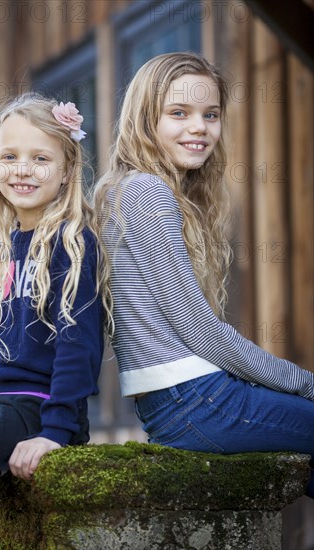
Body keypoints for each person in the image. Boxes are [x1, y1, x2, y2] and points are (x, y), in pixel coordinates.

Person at [93, 52, 314, 497]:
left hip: (181, 403)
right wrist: (304, 382)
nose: (200, 127)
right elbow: (200, 331)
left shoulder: (131, 190)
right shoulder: (146, 191)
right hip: (195, 400)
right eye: (179, 113)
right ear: (145, 119)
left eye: (210, 114)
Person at [0, 93, 104, 522]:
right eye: (10, 156)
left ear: (68, 169)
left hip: (38, 410)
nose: (22, 169)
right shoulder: (12, 245)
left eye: (40, 159)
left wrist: (55, 431)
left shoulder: (70, 244)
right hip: (1, 406)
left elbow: (79, 346)